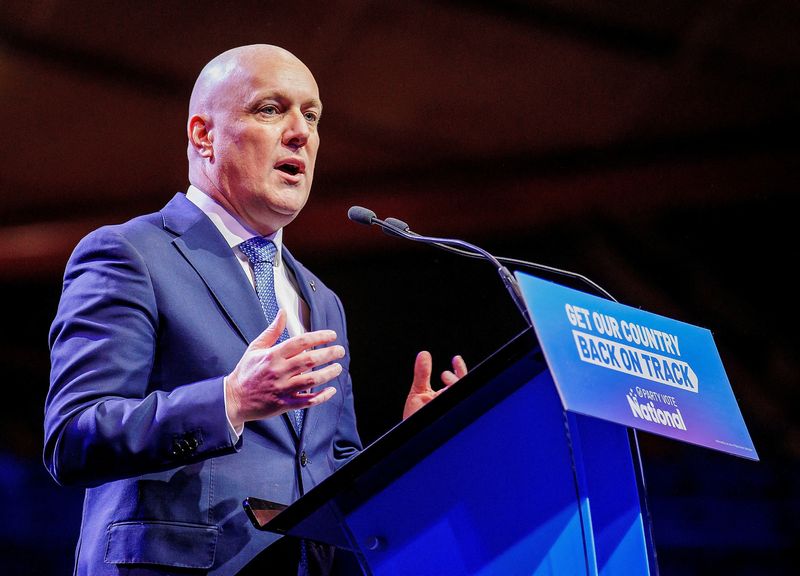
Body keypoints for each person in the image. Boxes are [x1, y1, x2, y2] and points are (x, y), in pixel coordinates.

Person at [44, 44, 466, 576]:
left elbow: (330, 471)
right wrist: (230, 399)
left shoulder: (320, 300)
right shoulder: (131, 254)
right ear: (204, 136)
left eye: (311, 116)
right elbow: (74, 437)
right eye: (271, 110)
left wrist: (409, 450)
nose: (301, 133)